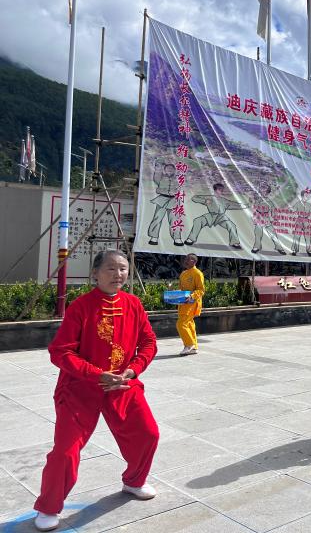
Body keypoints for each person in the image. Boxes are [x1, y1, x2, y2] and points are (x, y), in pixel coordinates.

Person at [33, 250, 159, 532]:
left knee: (147, 433)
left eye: (123, 269)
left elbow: (149, 342)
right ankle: (48, 506)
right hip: (80, 388)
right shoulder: (80, 307)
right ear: (95, 273)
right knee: (65, 451)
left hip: (123, 384)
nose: (118, 274)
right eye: (111, 268)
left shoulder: (133, 304)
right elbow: (60, 351)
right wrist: (95, 374)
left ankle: (134, 481)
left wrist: (133, 369)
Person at [185, 183, 245, 249]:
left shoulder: (224, 200)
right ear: (215, 190)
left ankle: (234, 242)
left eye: (222, 190)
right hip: (211, 216)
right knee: (198, 220)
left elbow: (236, 205)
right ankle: (191, 239)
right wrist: (205, 200)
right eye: (219, 189)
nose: (221, 191)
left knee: (232, 226)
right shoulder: (209, 198)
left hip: (221, 217)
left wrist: (246, 205)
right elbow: (194, 198)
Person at [146, 160, 183, 246]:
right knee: (157, 218)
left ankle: (177, 238)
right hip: (162, 199)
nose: (169, 170)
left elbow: (182, 186)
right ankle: (154, 237)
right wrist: (158, 165)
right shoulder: (160, 177)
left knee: (175, 220)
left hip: (173, 201)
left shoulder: (178, 179)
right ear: (164, 170)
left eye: (171, 169)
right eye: (167, 168)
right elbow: (156, 174)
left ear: (174, 170)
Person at [176, 253, 205, 355]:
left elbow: (201, 290)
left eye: (188, 259)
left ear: (194, 261)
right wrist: (174, 293)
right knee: (189, 324)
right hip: (183, 303)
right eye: (185, 259)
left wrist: (192, 296)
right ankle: (194, 347)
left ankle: (189, 344)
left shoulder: (197, 273)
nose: (185, 261)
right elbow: (181, 289)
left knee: (181, 324)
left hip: (192, 303)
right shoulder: (183, 274)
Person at [251, 182, 287, 255]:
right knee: (258, 232)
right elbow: (254, 208)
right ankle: (257, 246)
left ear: (267, 192)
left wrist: (275, 217)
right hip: (259, 218)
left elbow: (273, 209)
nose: (264, 192)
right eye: (262, 190)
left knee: (272, 233)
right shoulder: (257, 200)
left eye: (266, 191)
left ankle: (279, 247)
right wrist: (254, 218)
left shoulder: (269, 201)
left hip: (266, 218)